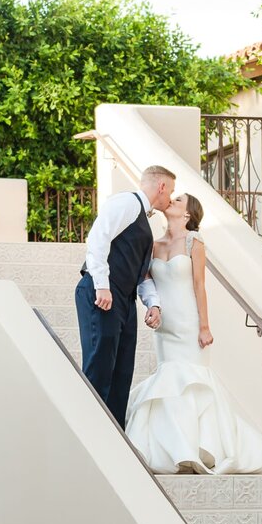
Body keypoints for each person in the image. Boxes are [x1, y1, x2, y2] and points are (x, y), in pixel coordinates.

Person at [125, 193, 262, 474]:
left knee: (193, 382)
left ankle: (200, 450)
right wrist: (152, 308)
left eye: (178, 200)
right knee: (169, 381)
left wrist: (204, 326)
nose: (171, 201)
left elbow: (200, 285)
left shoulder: (194, 242)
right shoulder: (153, 244)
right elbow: (146, 280)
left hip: (188, 322)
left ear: (188, 214)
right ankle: (174, 450)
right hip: (164, 325)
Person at [75, 166, 175, 427]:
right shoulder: (126, 202)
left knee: (122, 373)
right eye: (171, 191)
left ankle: (115, 436)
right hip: (102, 295)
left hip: (125, 300)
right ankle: (89, 431)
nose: (170, 198)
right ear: (161, 186)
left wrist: (153, 303)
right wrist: (102, 285)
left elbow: (141, 272)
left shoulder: (144, 219)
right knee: (100, 367)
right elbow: (98, 239)